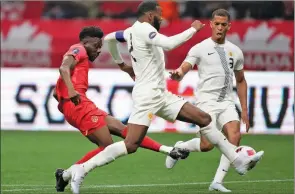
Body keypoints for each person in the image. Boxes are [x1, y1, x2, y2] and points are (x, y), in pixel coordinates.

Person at [69, 2, 263, 194]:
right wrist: (192, 30)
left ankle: (236, 160)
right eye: (159, 15)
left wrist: (122, 64)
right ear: (150, 16)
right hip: (147, 96)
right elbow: (170, 44)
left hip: (160, 94)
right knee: (131, 144)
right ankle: (82, 169)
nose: (162, 18)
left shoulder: (129, 32)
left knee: (204, 119)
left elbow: (110, 38)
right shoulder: (144, 30)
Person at [53, 25, 190, 192]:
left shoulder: (80, 56)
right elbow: (63, 67)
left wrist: (63, 95)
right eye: (96, 45)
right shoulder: (78, 49)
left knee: (123, 130)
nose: (98, 50)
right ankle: (71, 173)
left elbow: (56, 91)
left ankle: (168, 150)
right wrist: (72, 92)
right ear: (86, 42)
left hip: (80, 103)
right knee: (108, 147)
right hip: (78, 104)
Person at [166, 9, 264, 192]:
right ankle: (180, 147)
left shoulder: (235, 51)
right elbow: (185, 67)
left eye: (223, 24)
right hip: (206, 101)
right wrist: (178, 74)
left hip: (226, 101)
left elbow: (241, 80)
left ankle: (217, 181)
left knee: (234, 135)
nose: (219, 28)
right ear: (211, 24)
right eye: (216, 24)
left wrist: (245, 110)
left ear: (229, 26)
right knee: (207, 145)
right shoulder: (200, 48)